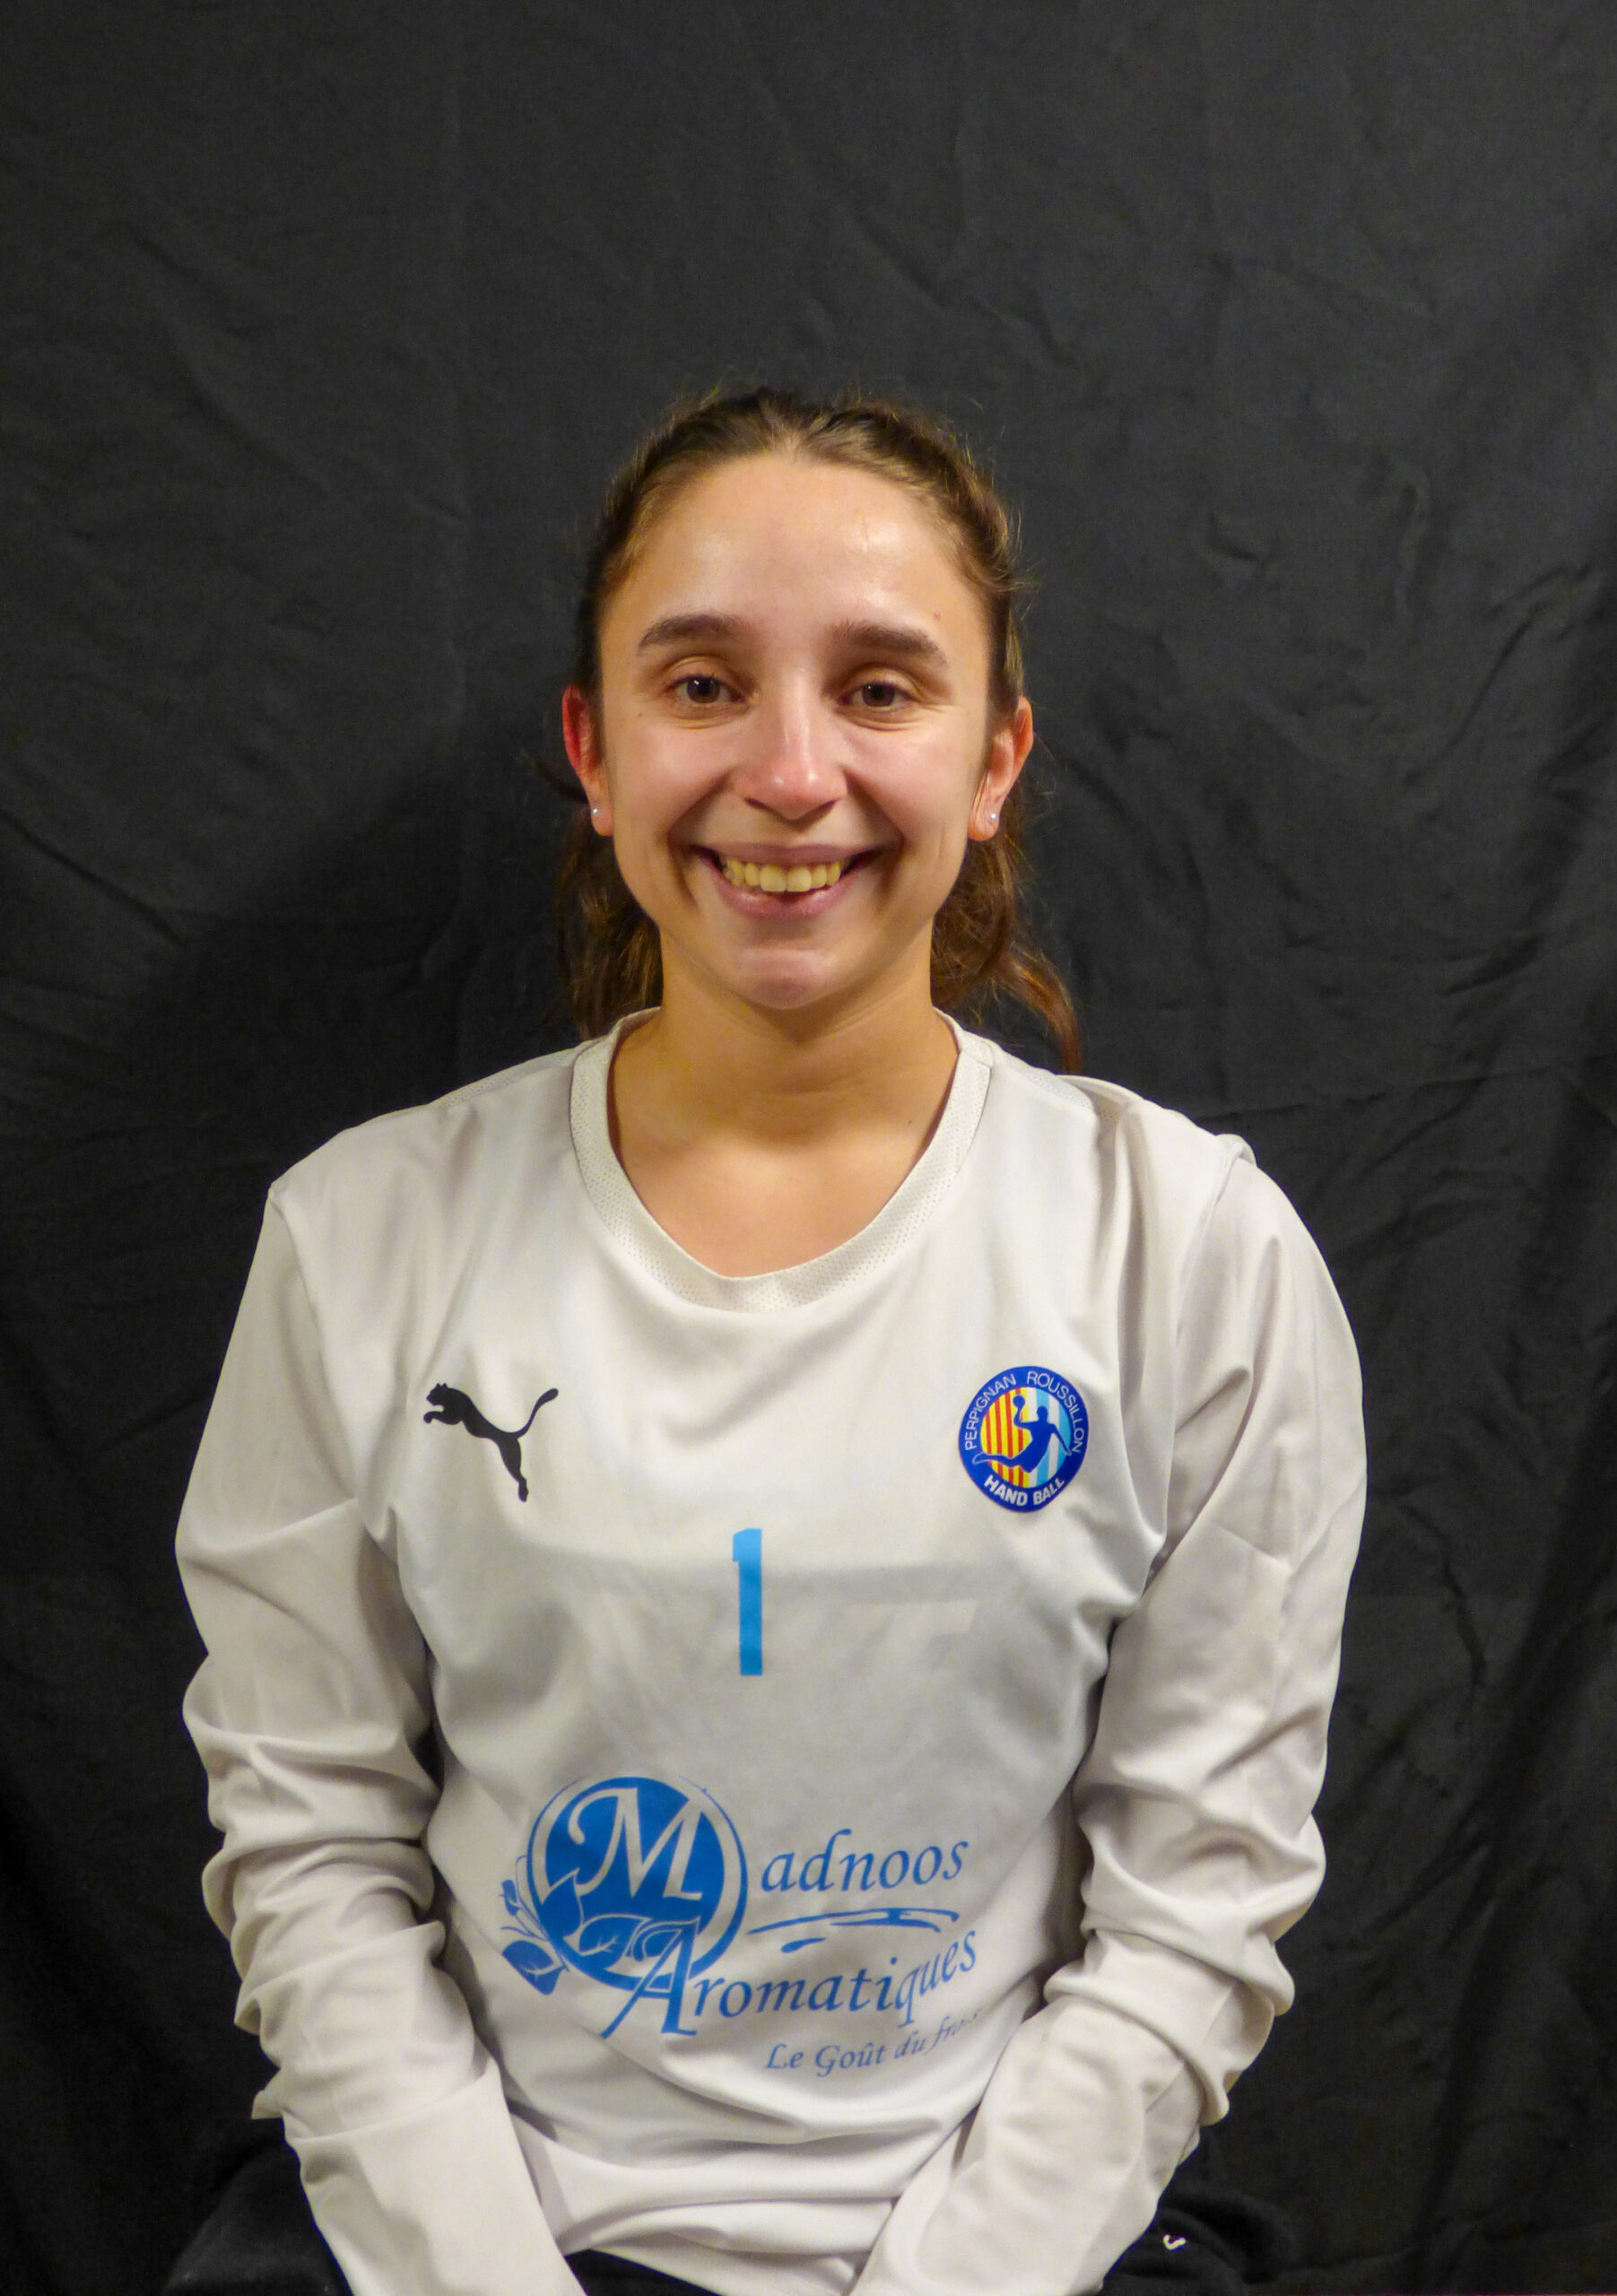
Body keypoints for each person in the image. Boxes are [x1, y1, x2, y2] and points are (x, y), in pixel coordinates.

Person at [174, 384, 1365, 2296]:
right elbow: (310, 1852)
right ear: (595, 748)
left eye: (880, 689)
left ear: (994, 757)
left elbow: (1193, 1910)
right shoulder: (362, 1239)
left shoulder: (1189, 1254)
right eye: (704, 685)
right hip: (465, 2241)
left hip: (1015, 2250)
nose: (792, 773)